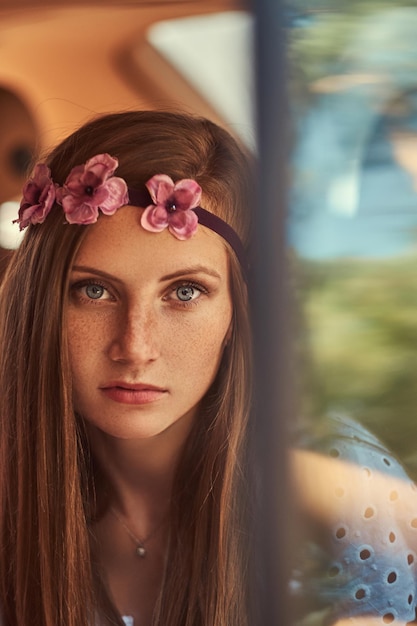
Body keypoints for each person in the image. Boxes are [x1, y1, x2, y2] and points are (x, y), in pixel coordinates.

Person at [0, 110, 253, 626]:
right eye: (93, 291)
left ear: (239, 312)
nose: (134, 348)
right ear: (40, 305)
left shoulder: (335, 492)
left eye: (185, 292)